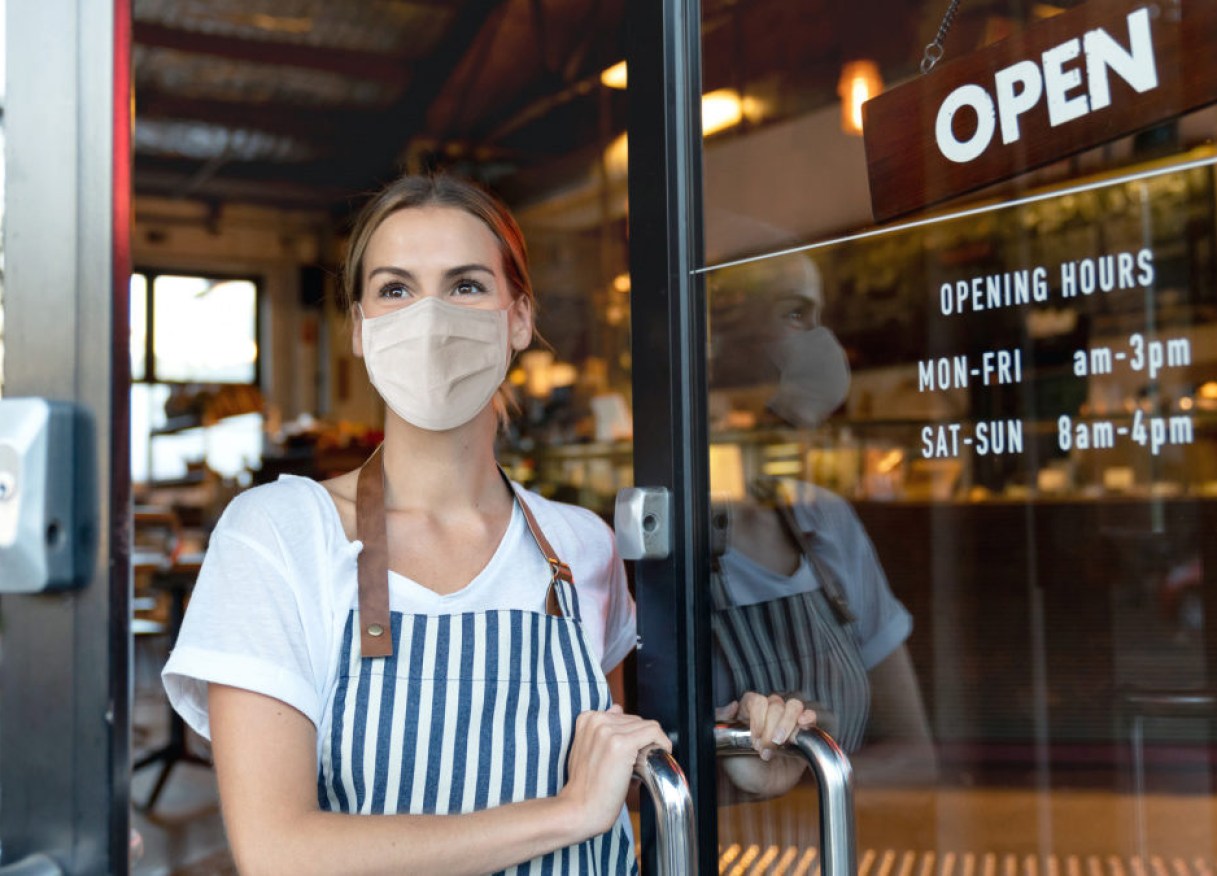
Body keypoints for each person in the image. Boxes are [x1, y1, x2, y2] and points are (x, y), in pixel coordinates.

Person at [161, 173, 811, 875]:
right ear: (358, 327)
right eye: (395, 289)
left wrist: (741, 760)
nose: (430, 317)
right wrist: (562, 816)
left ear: (519, 319)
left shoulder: (578, 546)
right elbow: (279, 853)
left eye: (466, 285)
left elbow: (613, 777)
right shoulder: (279, 535)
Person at [706, 253, 937, 802]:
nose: (818, 341)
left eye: (817, 317)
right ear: (721, 336)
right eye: (794, 314)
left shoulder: (826, 520)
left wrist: (806, 773)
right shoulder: (656, 545)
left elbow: (916, 756)